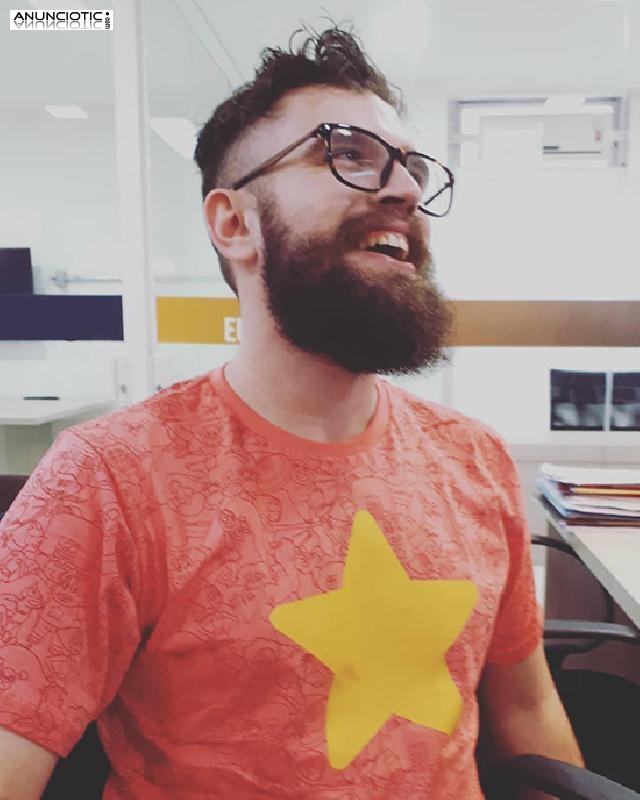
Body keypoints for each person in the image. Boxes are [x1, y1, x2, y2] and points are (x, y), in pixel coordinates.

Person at [0, 26, 582, 800]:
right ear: (233, 223)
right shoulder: (108, 481)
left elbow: (528, 708)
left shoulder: (474, 456)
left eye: (410, 167)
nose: (405, 191)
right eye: (347, 153)